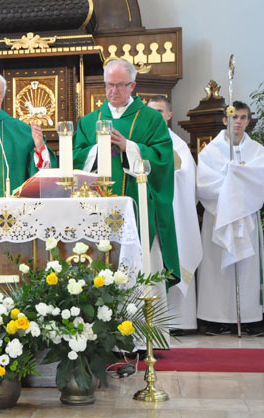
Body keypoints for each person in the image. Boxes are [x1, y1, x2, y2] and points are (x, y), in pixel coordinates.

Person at [72, 59, 181, 297]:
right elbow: (74, 159)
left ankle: (145, 315)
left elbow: (163, 159)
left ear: (132, 85)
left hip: (138, 206)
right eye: (108, 85)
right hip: (97, 209)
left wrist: (128, 147)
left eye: (120, 85)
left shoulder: (151, 118)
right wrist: (97, 149)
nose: (113, 91)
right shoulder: (89, 121)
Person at [196, 101, 264, 336]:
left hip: (246, 216)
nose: (238, 121)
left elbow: (261, 182)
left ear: (248, 121)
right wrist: (233, 182)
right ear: (225, 120)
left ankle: (248, 318)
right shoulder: (210, 151)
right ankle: (216, 318)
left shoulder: (258, 151)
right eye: (234, 117)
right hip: (220, 216)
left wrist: (237, 181)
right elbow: (204, 184)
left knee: (247, 267)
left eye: (243, 117)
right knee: (218, 268)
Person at [147, 95, 203, 334]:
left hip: (173, 214)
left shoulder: (177, 145)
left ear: (169, 115)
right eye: (150, 112)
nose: (155, 116)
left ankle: (180, 321)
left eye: (159, 111)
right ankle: (152, 321)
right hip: (149, 213)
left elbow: (188, 180)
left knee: (174, 257)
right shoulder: (141, 141)